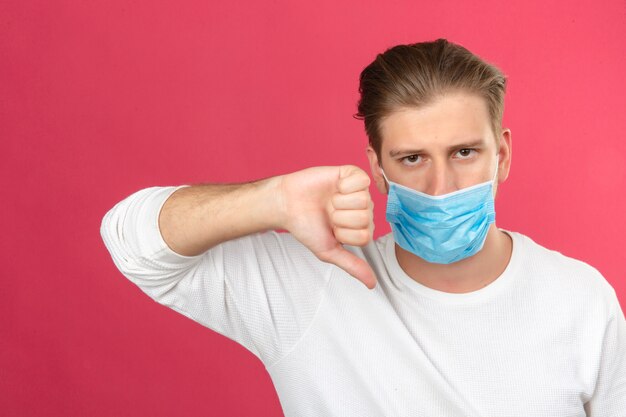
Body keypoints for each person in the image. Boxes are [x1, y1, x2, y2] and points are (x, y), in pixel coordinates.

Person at [100, 38, 625, 416]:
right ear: (377, 169)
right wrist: (273, 198)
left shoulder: (579, 299)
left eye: (465, 152)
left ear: (503, 154)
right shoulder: (314, 290)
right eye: (412, 158)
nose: (441, 187)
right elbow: (132, 241)